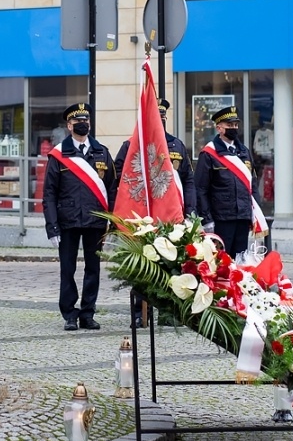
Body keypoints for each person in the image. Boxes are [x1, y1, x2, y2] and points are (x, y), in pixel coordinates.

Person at [114, 98, 195, 327]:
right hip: (141, 216)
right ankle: (139, 313)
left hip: (169, 215)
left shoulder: (176, 146)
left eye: (162, 117)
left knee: (170, 263)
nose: (158, 120)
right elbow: (120, 183)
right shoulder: (129, 145)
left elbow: (188, 181)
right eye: (154, 116)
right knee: (142, 265)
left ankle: (167, 312)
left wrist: (190, 210)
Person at [43, 103, 117, 331]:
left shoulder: (102, 151)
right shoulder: (59, 155)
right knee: (68, 269)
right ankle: (69, 314)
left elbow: (112, 189)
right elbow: (49, 194)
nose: (83, 124)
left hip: (96, 221)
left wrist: (113, 222)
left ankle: (88, 313)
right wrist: (52, 227)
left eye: (86, 121)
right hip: (68, 221)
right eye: (78, 122)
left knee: (93, 268)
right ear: (69, 125)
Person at [194, 105, 262, 259]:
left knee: (240, 260)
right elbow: (201, 189)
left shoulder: (244, 152)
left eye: (236, 125)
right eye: (229, 125)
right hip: (221, 218)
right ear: (219, 128)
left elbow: (253, 185)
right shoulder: (209, 153)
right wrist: (207, 219)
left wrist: (255, 212)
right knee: (221, 261)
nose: (234, 128)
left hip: (242, 217)